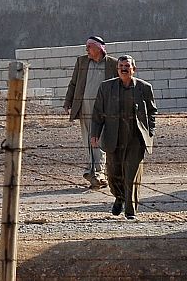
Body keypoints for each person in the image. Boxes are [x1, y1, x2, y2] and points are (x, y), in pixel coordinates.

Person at [92, 55, 157, 220]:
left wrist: (150, 131)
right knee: (113, 175)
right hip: (114, 138)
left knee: (131, 175)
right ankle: (119, 197)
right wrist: (95, 133)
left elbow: (152, 111)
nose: (124, 68)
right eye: (121, 66)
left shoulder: (144, 88)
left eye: (127, 66)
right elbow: (98, 112)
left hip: (135, 139)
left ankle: (130, 210)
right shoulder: (106, 88)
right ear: (117, 69)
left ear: (133, 69)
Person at [63, 36, 113, 190]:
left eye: (89, 47)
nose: (87, 50)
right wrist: (68, 102)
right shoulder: (82, 62)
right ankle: (94, 170)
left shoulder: (112, 64)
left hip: (104, 109)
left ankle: (97, 171)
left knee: (99, 138)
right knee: (88, 139)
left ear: (99, 48)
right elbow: (73, 83)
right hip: (84, 107)